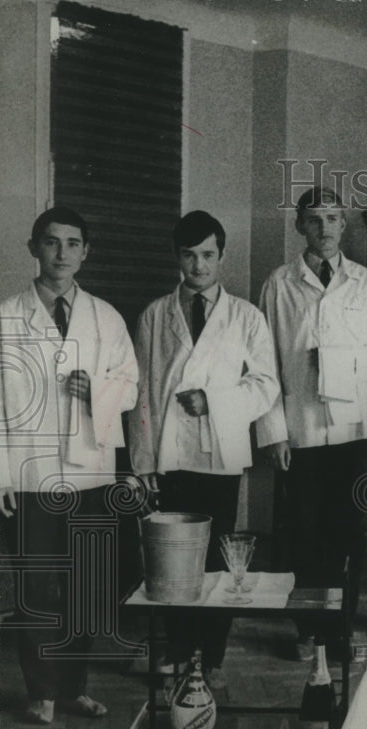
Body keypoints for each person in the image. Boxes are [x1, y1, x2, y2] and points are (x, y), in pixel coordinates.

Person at [129, 211, 280, 687]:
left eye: (208, 255)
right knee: (174, 558)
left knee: (217, 558)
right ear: (177, 256)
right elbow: (142, 393)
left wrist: (212, 400)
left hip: (220, 452)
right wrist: (143, 461)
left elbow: (266, 385)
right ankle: (176, 650)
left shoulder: (246, 316)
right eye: (189, 255)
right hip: (170, 454)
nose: (198, 265)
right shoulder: (155, 314)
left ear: (222, 256)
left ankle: (209, 658)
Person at [0, 207, 138, 723]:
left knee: (86, 583)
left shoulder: (106, 317)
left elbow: (129, 384)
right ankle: (41, 691)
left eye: (73, 243)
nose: (62, 253)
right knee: (37, 585)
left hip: (90, 472)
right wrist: (2, 475)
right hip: (30, 474)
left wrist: (95, 391)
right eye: (52, 242)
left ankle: (74, 686)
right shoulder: (7, 318)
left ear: (86, 252)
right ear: (33, 247)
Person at [257, 186, 367, 659]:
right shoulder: (279, 283)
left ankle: (340, 628)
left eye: (334, 218)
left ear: (344, 224)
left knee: (349, 530)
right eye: (315, 219)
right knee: (305, 532)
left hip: (354, 429)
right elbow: (266, 362)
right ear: (300, 226)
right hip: (302, 428)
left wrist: (339, 363)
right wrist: (273, 432)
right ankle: (307, 630)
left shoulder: (365, 282)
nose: (326, 228)